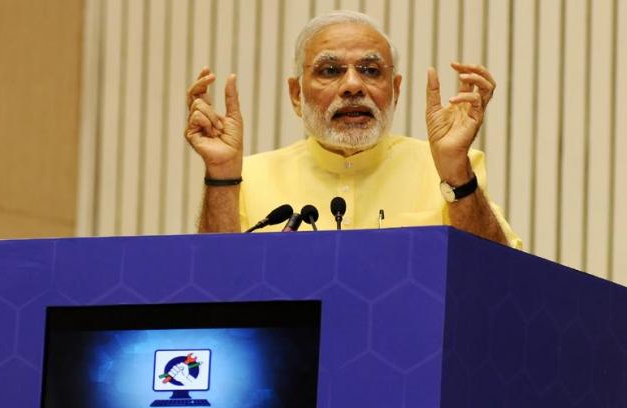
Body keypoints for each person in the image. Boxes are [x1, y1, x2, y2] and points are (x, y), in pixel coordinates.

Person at [184, 10, 521, 248]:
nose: (352, 86)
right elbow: (214, 288)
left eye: (371, 70)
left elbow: (499, 281)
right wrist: (222, 174)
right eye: (330, 70)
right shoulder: (247, 177)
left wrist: (456, 170)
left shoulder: (450, 169)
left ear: (395, 90)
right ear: (297, 95)